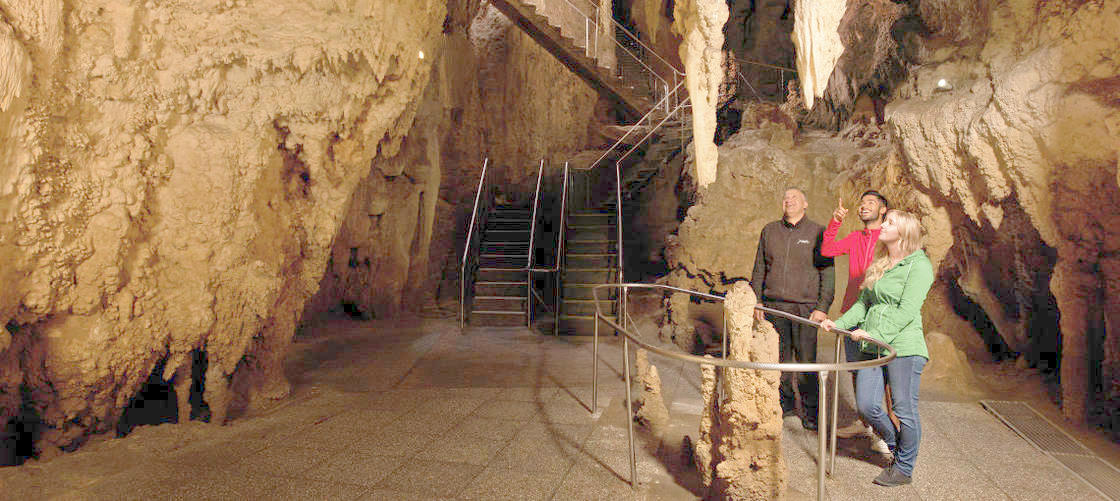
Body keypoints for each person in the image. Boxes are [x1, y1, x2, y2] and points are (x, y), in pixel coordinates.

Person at [821, 209, 934, 487]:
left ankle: (904, 467)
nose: (882, 225)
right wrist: (839, 322)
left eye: (890, 222)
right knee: (868, 405)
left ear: (904, 232)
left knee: (904, 409)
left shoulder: (919, 266)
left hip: (904, 347)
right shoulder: (881, 262)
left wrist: (873, 334)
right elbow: (863, 303)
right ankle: (896, 442)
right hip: (874, 346)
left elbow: (907, 311)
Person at [751, 188, 835, 430]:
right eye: (785, 197)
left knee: (806, 362)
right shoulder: (769, 231)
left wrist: (822, 307)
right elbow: (759, 268)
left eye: (794, 197)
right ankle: (784, 408)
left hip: (806, 308)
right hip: (775, 306)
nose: (788, 201)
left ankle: (811, 414)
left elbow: (827, 273)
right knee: (779, 361)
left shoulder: (818, 232)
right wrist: (757, 299)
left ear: (805, 204)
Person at [822, 191, 894, 452]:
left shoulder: (888, 238)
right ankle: (865, 423)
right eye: (862, 204)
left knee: (880, 374)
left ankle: (886, 432)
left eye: (871, 203)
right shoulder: (855, 238)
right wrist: (836, 222)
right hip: (852, 314)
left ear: (883, 209)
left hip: (877, 318)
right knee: (855, 371)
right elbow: (827, 249)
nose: (864, 207)